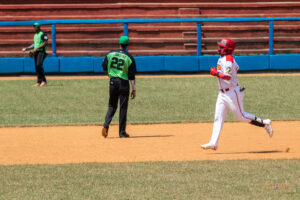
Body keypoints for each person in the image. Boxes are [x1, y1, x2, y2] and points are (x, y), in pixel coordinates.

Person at [201, 38, 273, 150]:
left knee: (241, 116)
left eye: (221, 47)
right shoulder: (223, 58)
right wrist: (218, 73)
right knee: (218, 117)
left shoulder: (229, 59)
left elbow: (228, 77)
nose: (219, 48)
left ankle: (265, 123)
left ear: (227, 49)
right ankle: (213, 142)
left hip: (232, 92)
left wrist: (216, 73)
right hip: (223, 93)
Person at [101, 36, 136, 138]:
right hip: (124, 83)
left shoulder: (110, 54)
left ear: (119, 43)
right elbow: (132, 77)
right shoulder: (129, 57)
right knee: (123, 107)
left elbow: (104, 68)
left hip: (113, 82)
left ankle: (106, 126)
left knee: (112, 105)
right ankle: (122, 132)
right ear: (127, 45)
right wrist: (133, 89)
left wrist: (110, 76)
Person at [22, 22, 48, 87]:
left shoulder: (42, 34)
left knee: (39, 64)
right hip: (36, 52)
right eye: (34, 27)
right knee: (37, 66)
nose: (34, 28)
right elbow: (34, 44)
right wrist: (27, 48)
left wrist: (37, 48)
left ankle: (44, 81)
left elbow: (45, 42)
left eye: (35, 27)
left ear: (38, 27)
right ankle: (39, 82)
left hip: (41, 52)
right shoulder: (35, 35)